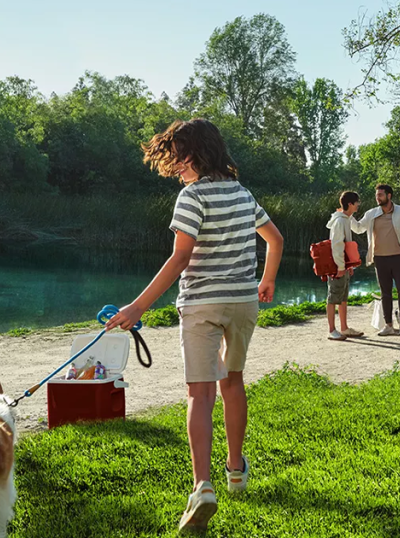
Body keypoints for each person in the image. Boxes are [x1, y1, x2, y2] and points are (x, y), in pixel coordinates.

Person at [105, 118, 283, 533]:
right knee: (233, 382)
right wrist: (268, 280)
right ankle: (235, 471)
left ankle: (202, 486)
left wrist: (138, 307)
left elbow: (180, 258)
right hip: (242, 302)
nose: (175, 167)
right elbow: (275, 239)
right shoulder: (242, 193)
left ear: (195, 155)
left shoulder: (192, 196)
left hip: (202, 303)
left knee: (199, 393)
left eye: (178, 158)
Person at [351, 184, 400, 336]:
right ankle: (388, 326)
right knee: (385, 293)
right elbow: (358, 228)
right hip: (380, 259)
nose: (378, 198)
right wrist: (347, 215)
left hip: (399, 258)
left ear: (389, 196)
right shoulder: (371, 214)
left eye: (380, 195)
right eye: (377, 195)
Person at [325, 191, 365, 341]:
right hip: (337, 266)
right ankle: (331, 330)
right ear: (350, 204)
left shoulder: (346, 219)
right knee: (333, 298)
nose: (358, 205)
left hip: (343, 265)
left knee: (343, 297)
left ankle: (344, 328)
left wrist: (348, 266)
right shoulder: (340, 221)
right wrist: (341, 267)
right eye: (357, 202)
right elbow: (337, 245)